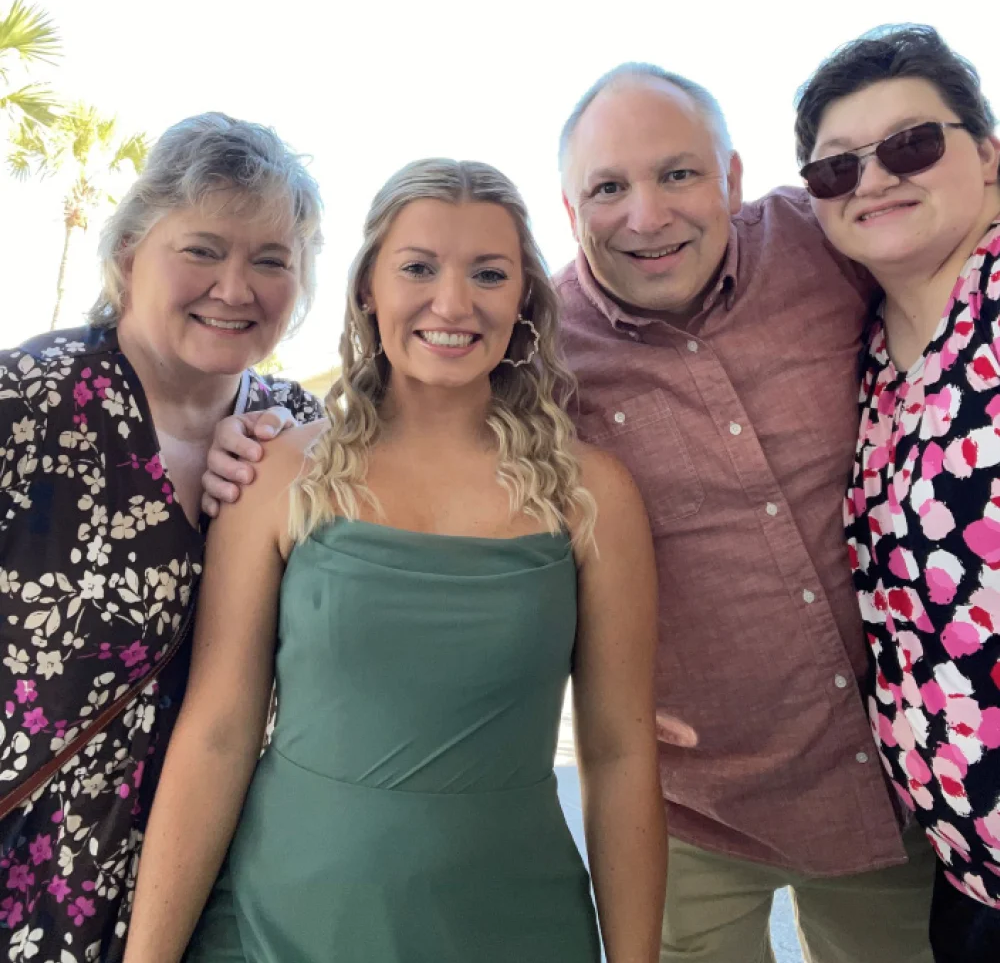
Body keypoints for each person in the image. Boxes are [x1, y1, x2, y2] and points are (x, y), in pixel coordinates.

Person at [123, 158, 667, 963]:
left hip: (511, 925)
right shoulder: (275, 471)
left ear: (524, 298)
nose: (453, 303)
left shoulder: (593, 495)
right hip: (278, 925)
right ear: (369, 285)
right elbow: (218, 732)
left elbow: (619, 755)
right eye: (418, 267)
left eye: (489, 272)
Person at [555, 64, 937, 962]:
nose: (646, 215)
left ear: (731, 178)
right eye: (608, 188)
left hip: (878, 775)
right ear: (571, 213)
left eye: (678, 174)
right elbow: (435, 477)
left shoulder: (828, 240)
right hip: (686, 806)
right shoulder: (533, 351)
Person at [0, 112, 323, 961]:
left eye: (271, 259)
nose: (236, 286)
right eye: (204, 249)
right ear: (128, 254)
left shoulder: (301, 431)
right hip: (27, 876)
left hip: (217, 889)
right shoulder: (27, 404)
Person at [795, 24, 1000, 963]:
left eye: (912, 145)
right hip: (966, 875)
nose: (872, 180)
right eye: (837, 169)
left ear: (989, 156)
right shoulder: (875, 359)